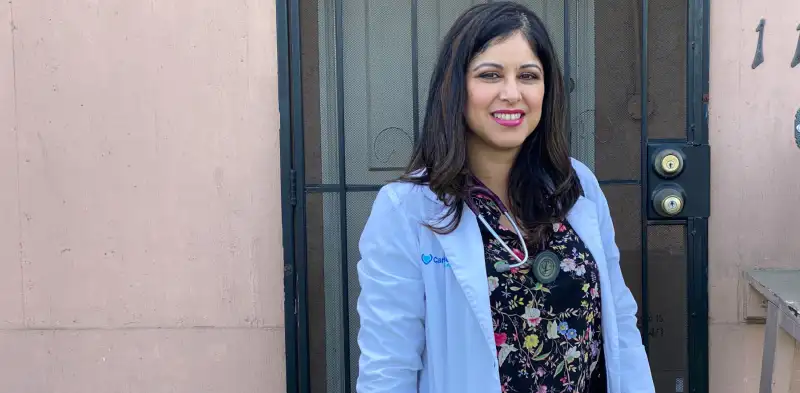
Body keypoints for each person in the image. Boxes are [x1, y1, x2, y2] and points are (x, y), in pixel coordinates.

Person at [354, 2, 654, 393]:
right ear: (455, 87)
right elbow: (387, 368)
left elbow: (620, 325)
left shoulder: (576, 185)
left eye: (528, 75)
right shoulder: (408, 209)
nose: (512, 94)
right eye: (490, 75)